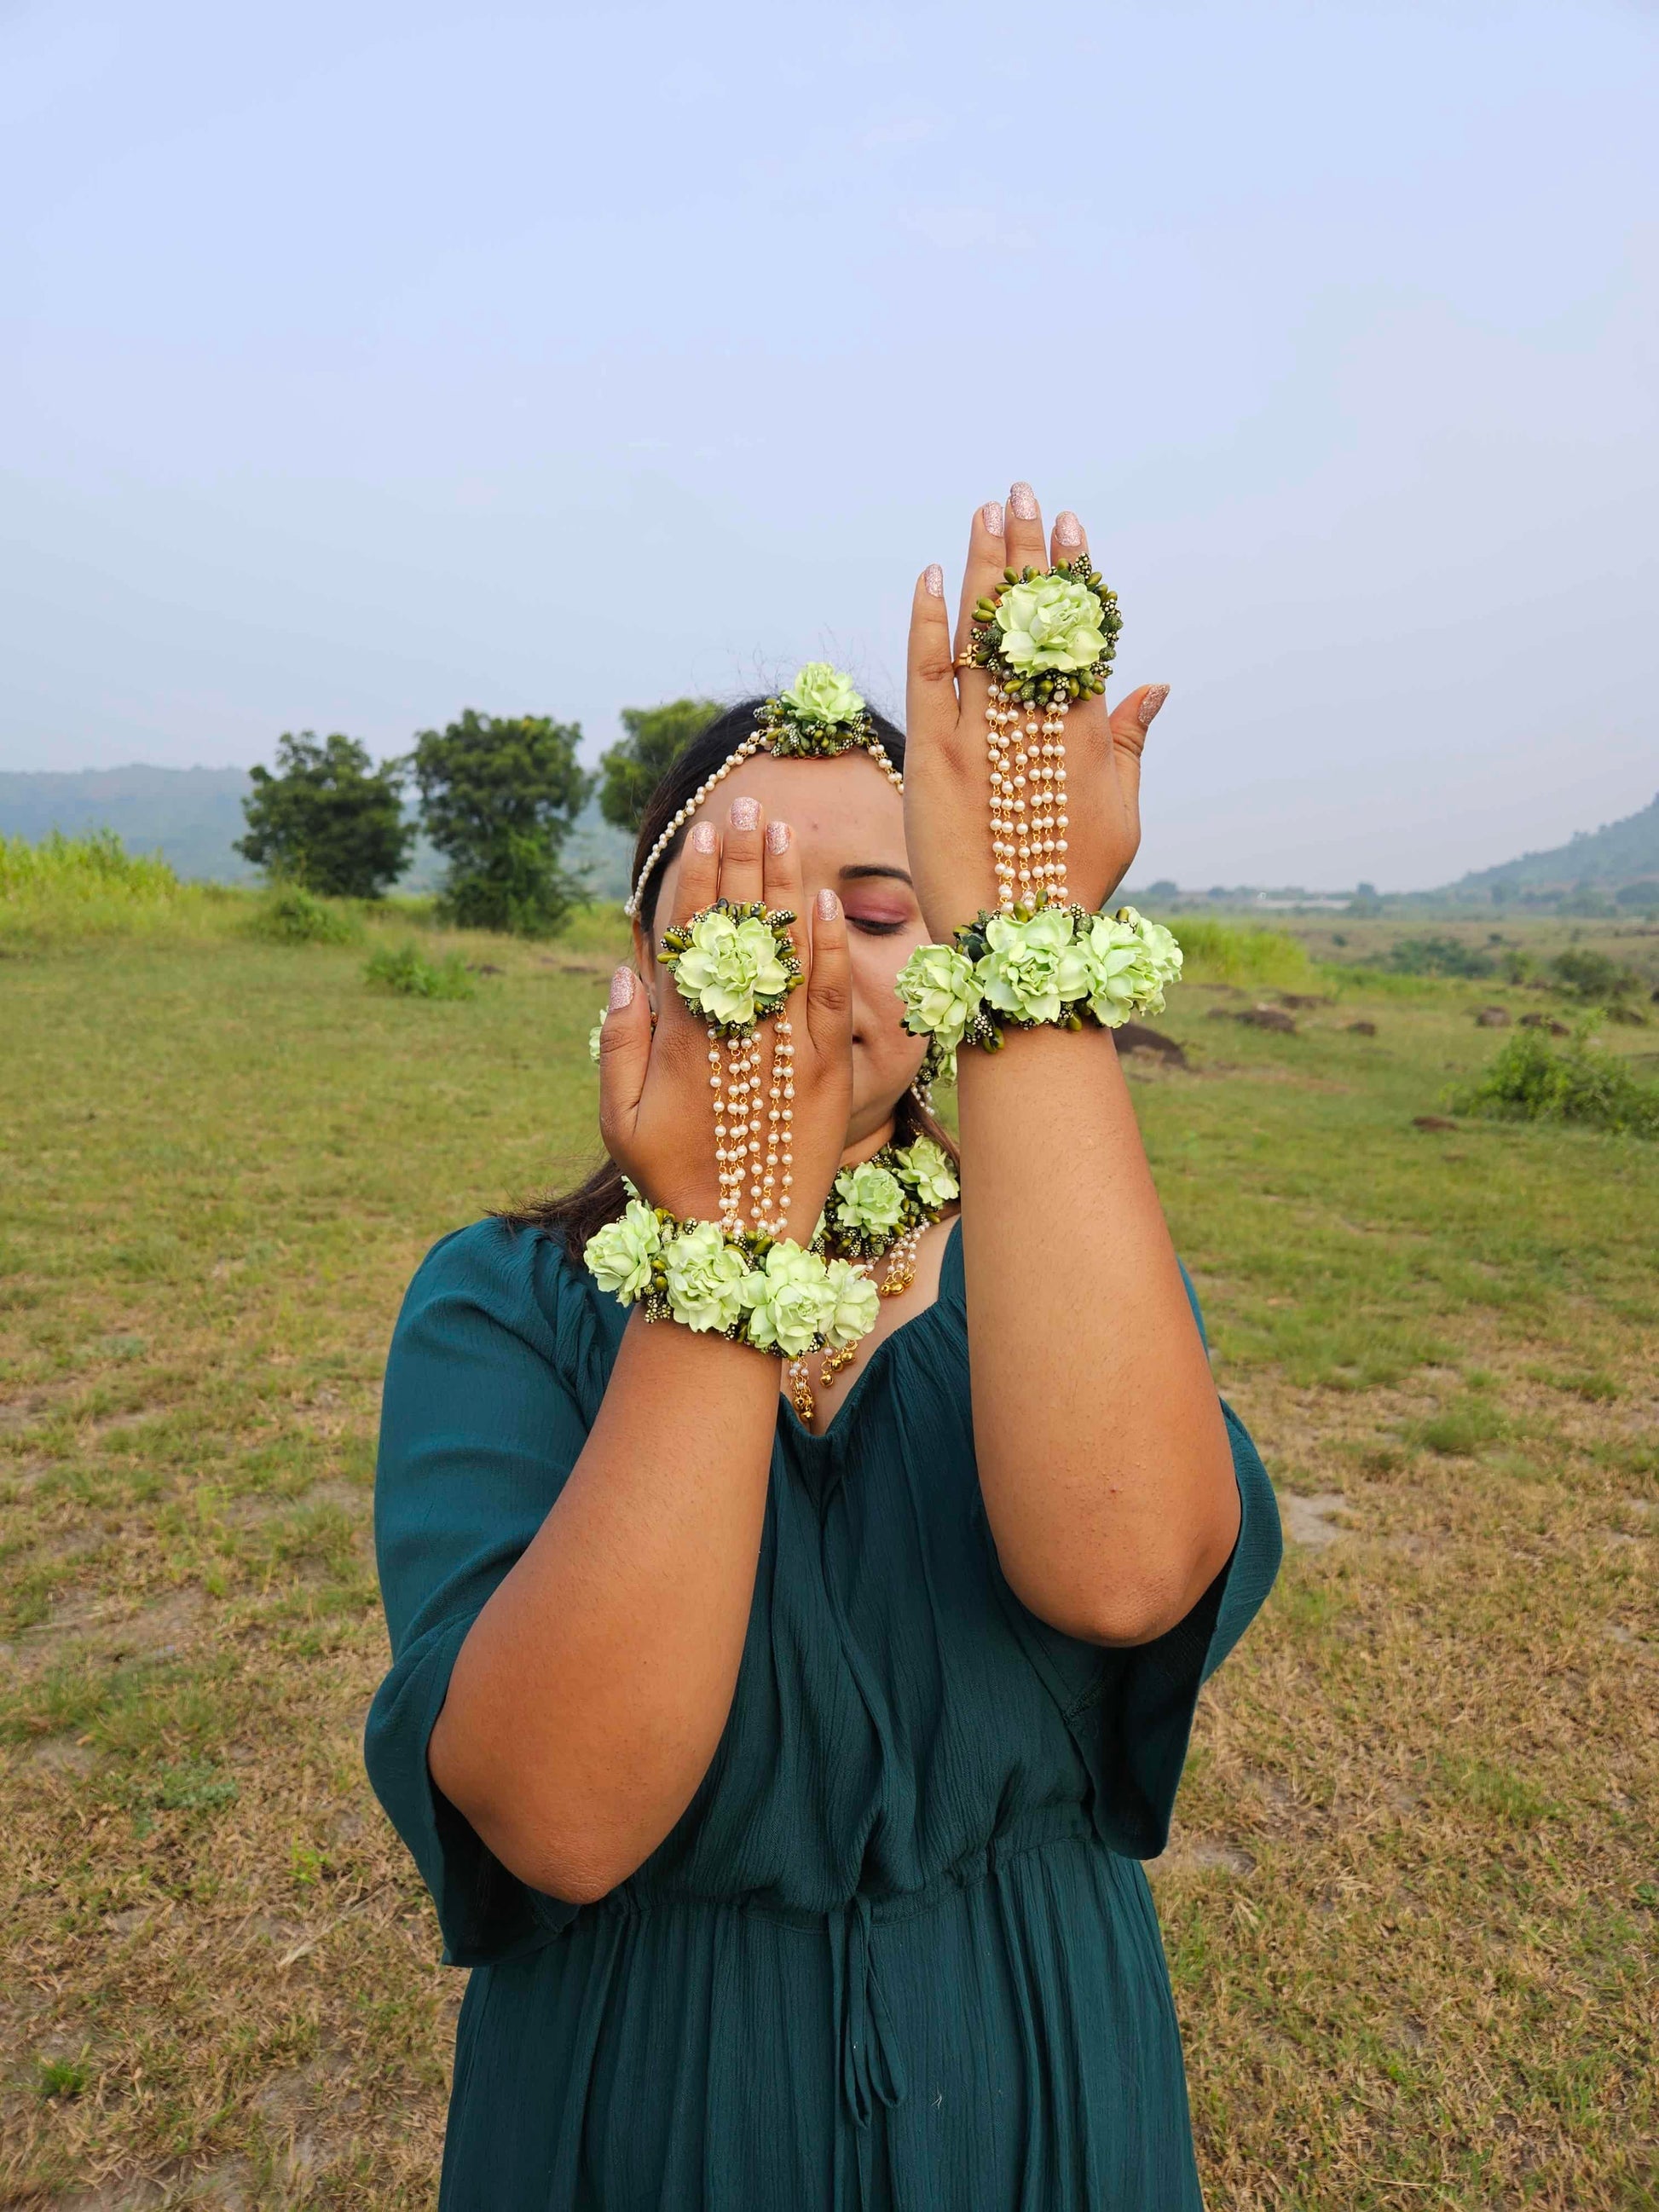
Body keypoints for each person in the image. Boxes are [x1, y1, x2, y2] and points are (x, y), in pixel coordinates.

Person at [364, 484, 1281, 2209]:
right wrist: (727, 1242)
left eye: (880, 907)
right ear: (635, 981)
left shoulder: (1051, 1252)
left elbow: (1128, 1568)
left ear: (946, 953)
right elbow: (557, 1811)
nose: (809, 966)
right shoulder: (499, 1303)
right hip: (643, 2108)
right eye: (740, 915)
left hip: (1039, 2083)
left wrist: (1033, 948)